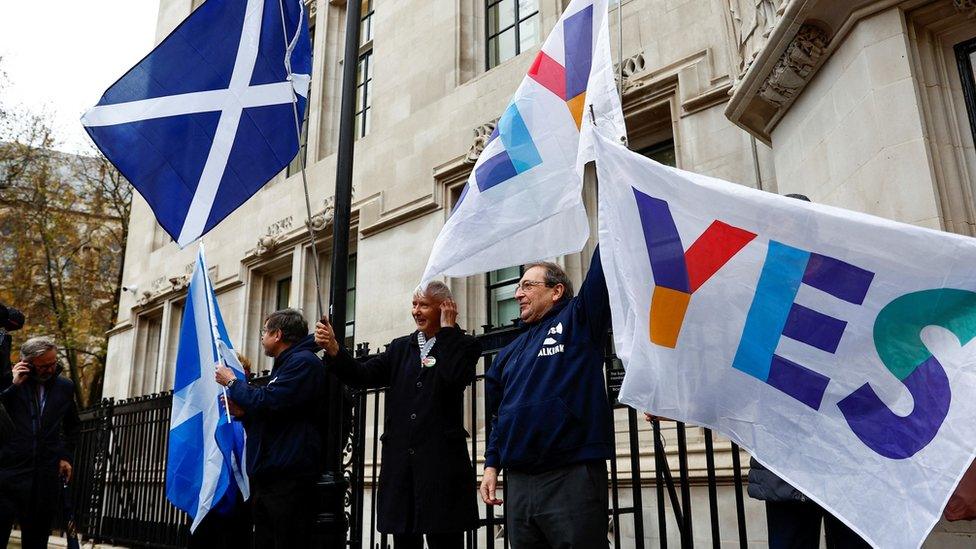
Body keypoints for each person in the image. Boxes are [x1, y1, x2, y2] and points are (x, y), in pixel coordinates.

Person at [314, 282, 481, 549]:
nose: (416, 311)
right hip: (401, 467)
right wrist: (335, 349)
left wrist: (448, 332)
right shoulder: (400, 348)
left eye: (424, 304)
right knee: (404, 539)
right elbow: (361, 375)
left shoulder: (465, 346)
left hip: (441, 467)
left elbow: (453, 378)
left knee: (446, 540)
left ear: (445, 307)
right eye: (414, 304)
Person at [747, 193, 870, 549]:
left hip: (842, 448)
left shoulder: (845, 281)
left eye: (785, 224)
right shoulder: (763, 290)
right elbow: (734, 365)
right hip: (783, 450)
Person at [480, 249, 612, 548]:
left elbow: (602, 270)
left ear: (556, 291)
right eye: (518, 286)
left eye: (528, 285)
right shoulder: (507, 354)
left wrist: (611, 207)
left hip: (571, 474)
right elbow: (498, 417)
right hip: (520, 483)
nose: (517, 294)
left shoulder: (579, 319)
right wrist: (491, 465)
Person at [214, 309, 325, 549]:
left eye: (265, 331)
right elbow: (276, 413)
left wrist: (232, 382)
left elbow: (270, 401)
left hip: (288, 477)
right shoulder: (286, 365)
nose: (262, 337)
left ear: (278, 334)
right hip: (271, 475)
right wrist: (245, 414)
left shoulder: (303, 362)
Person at [0, 336, 80, 549]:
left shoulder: (65, 387)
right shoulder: (9, 382)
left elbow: (72, 427)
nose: (51, 369)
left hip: (44, 479)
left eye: (53, 363)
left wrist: (64, 456)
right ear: (27, 363)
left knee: (36, 542)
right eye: (44, 365)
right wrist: (13, 386)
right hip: (8, 475)